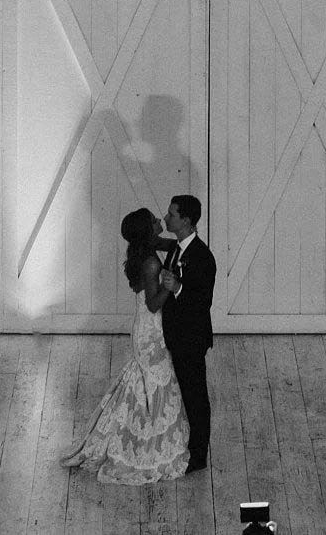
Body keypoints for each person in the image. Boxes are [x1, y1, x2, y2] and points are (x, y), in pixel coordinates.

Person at [61, 207, 190, 484]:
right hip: (149, 329)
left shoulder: (147, 249)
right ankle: (145, 444)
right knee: (157, 381)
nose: (160, 221)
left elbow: (176, 245)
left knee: (146, 381)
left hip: (146, 327)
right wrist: (171, 286)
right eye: (155, 220)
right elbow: (153, 303)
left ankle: (133, 430)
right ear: (147, 230)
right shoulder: (152, 263)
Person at [159, 193, 216, 472]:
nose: (166, 218)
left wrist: (178, 288)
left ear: (187, 221)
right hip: (176, 335)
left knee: (195, 396)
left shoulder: (203, 257)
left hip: (191, 339)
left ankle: (198, 455)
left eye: (172, 214)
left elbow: (202, 302)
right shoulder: (177, 248)